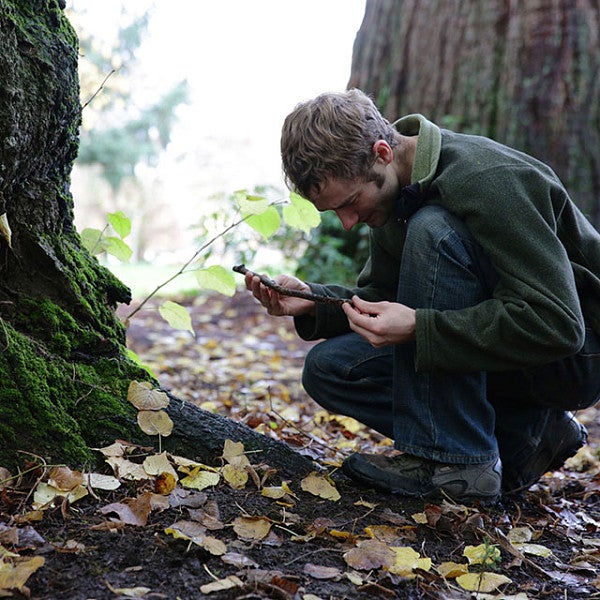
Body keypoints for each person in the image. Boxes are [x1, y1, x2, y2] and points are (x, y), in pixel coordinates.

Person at [243, 88, 600, 504]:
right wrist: (313, 300)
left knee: (433, 228)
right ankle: (526, 436)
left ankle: (460, 464)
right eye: (334, 212)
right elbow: (388, 295)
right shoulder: (398, 190)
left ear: (382, 152)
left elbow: (557, 325)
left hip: (578, 356)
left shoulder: (486, 179)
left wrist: (420, 328)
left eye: (351, 202)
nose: (347, 222)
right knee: (332, 368)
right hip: (514, 346)